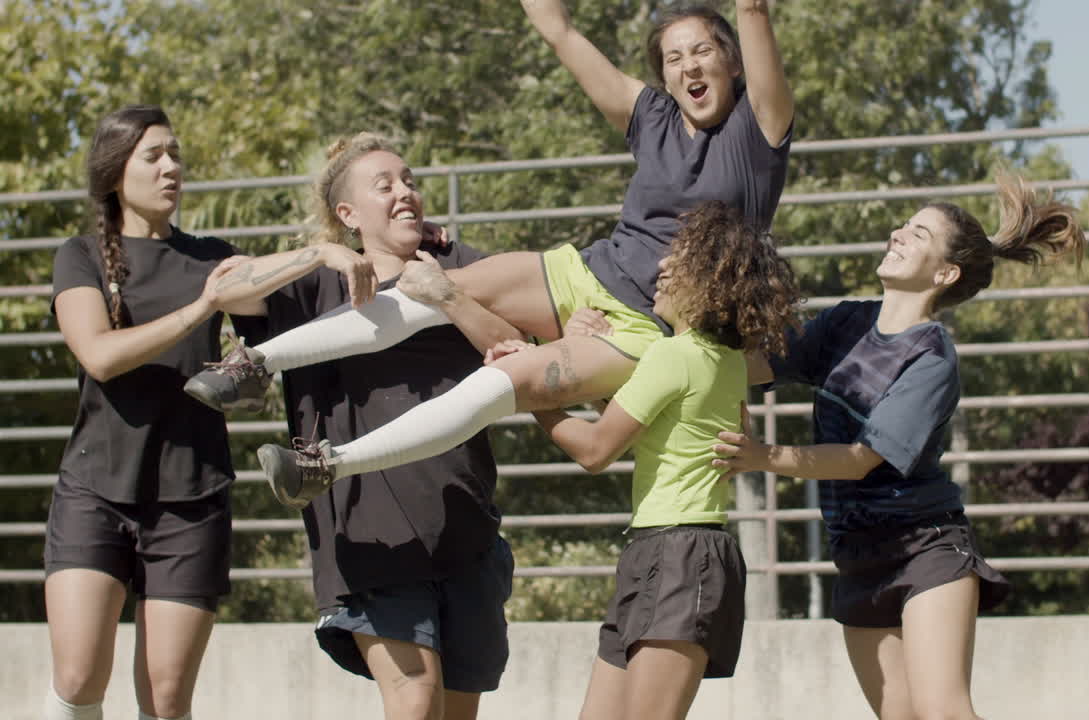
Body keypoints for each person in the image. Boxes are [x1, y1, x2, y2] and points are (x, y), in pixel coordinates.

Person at [184, 1, 795, 501]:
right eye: (673, 56)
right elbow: (557, 29)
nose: (689, 65)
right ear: (662, 75)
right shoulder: (654, 116)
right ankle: (253, 365)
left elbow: (753, 7)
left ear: (734, 63)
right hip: (585, 272)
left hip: (647, 325)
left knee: (505, 375)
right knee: (432, 287)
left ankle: (327, 465)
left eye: (704, 51)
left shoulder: (758, 130)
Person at [709, 175, 1086, 720]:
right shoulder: (845, 323)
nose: (899, 234)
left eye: (919, 232)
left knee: (943, 712)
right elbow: (753, 365)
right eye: (904, 225)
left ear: (944, 273)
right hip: (857, 555)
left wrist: (762, 455)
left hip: (924, 549)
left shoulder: (932, 358)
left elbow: (862, 459)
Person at [43, 104, 375, 720]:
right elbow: (99, 355)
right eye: (153, 156)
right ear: (116, 171)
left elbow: (261, 284)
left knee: (168, 702)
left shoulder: (211, 257)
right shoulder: (79, 256)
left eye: (176, 154)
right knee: (78, 676)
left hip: (191, 500)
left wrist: (323, 255)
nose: (172, 167)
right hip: (94, 493)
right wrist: (202, 309)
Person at [211, 132, 524, 720]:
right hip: (367, 523)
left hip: (465, 524)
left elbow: (516, 350)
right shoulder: (315, 287)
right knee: (414, 701)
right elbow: (224, 287)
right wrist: (321, 253)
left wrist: (448, 295)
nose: (405, 192)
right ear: (347, 214)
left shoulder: (456, 265)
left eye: (409, 180)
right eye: (385, 186)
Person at [502, 201, 800, 720]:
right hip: (664, 550)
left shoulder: (673, 354)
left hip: (680, 554)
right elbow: (636, 423)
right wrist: (570, 356)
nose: (659, 269)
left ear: (709, 282)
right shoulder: (723, 360)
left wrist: (529, 396)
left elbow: (597, 450)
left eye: (678, 263)